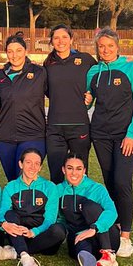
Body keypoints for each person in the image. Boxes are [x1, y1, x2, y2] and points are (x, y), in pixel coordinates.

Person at [85, 28, 133, 259]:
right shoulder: (93, 72)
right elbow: (89, 104)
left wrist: (131, 134)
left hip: (125, 136)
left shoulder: (132, 69)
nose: (105, 50)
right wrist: (87, 101)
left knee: (122, 181)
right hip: (100, 135)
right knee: (110, 182)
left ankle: (126, 237)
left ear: (117, 46)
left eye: (109, 46)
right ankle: (116, 225)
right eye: (101, 46)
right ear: (97, 49)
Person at [0, 148, 65, 266]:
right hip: (19, 233)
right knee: (9, 215)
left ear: (40, 167)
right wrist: (3, 224)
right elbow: (2, 212)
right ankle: (26, 258)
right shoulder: (11, 187)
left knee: (59, 231)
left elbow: (50, 219)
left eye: (36, 163)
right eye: (28, 162)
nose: (32, 167)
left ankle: (15, 252)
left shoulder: (50, 187)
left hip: (42, 235)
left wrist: (34, 232)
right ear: (21, 164)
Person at [53, 155, 120, 266]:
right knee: (82, 250)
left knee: (89, 206)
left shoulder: (96, 188)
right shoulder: (58, 190)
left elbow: (112, 212)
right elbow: (60, 218)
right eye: (70, 168)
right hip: (80, 237)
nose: (74, 173)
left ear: (84, 171)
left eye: (78, 169)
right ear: (63, 170)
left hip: (105, 236)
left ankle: (107, 254)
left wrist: (94, 228)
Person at [43, 25, 96, 179]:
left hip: (79, 126)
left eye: (65, 37)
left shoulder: (85, 59)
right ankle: (58, 204)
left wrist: (91, 95)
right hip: (54, 128)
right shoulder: (48, 64)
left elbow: (100, 80)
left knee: (79, 174)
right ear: (51, 41)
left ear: (71, 39)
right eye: (56, 38)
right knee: (56, 174)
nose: (61, 41)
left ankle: (80, 203)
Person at [0, 34, 47, 181]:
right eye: (10, 51)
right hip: (4, 137)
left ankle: (33, 204)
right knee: (12, 181)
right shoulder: (0, 76)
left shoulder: (39, 73)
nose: (14, 55)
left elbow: (58, 94)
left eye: (18, 50)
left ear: (25, 51)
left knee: (26, 178)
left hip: (33, 135)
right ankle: (15, 205)